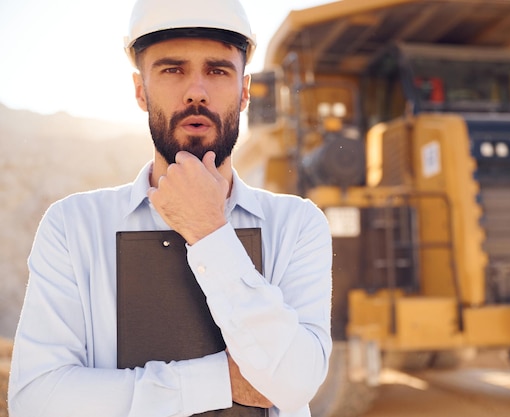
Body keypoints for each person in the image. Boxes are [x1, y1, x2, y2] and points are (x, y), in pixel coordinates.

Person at [8, 0, 333, 416]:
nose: (196, 90)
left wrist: (209, 231)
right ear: (141, 91)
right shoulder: (73, 227)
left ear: (245, 92)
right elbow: (36, 402)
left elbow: (295, 383)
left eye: (217, 70)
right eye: (172, 69)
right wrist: (221, 382)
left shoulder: (297, 224)